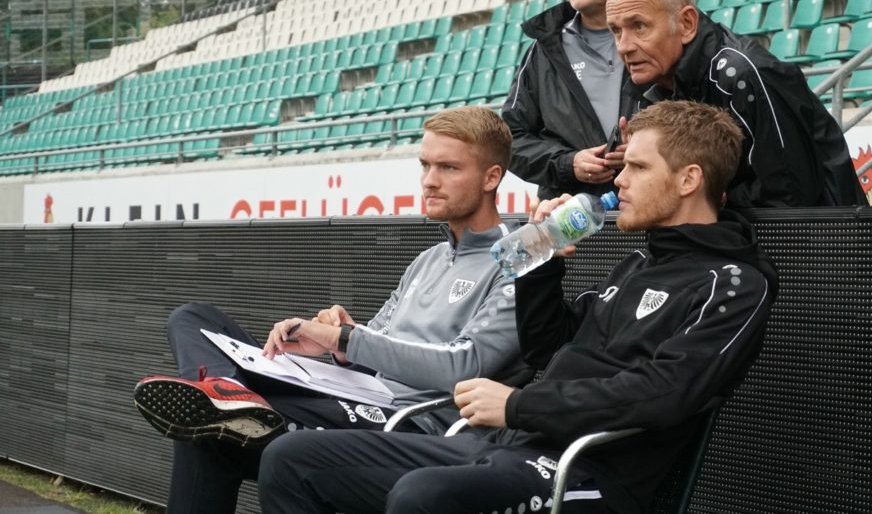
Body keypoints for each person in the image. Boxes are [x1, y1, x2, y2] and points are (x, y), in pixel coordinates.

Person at [257, 100, 777, 514]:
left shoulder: (733, 283)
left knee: (424, 496)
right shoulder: (638, 265)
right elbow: (550, 345)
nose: (617, 181)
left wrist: (517, 405)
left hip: (587, 474)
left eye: (637, 167)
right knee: (291, 459)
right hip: (512, 445)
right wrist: (539, 258)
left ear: (688, 180)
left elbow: (661, 393)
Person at [132, 106, 532, 514]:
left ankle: (228, 399)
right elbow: (377, 342)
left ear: (491, 177)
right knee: (193, 319)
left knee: (209, 435)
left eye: (448, 168)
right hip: (354, 396)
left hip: (409, 422)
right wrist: (334, 348)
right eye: (425, 165)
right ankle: (227, 392)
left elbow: (463, 366)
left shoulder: (519, 259)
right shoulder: (427, 259)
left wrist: (346, 339)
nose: (430, 181)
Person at [607, 0, 867, 208]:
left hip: (821, 244)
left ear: (686, 24)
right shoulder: (651, 83)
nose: (624, 46)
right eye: (616, 31)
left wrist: (709, 197)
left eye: (639, 26)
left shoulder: (744, 75)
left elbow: (790, 192)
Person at [502, 0, 639, 199]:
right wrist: (568, 163)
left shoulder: (656, 39)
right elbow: (510, 138)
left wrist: (645, 151)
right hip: (569, 218)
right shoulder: (543, 50)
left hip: (646, 207)